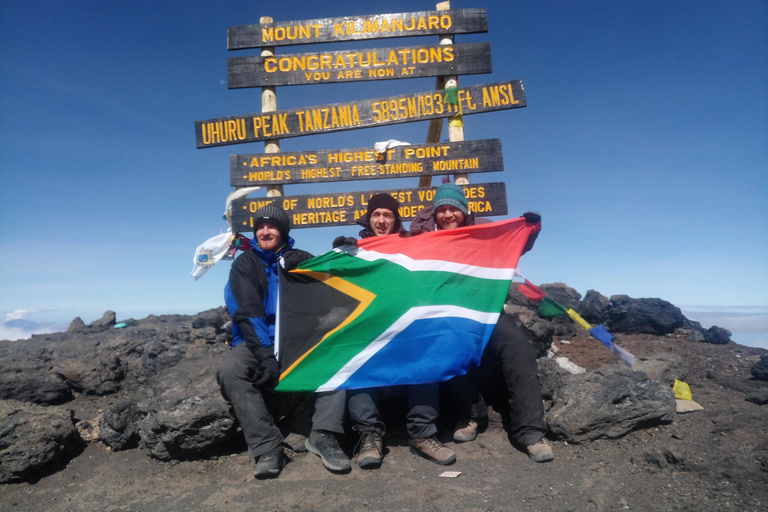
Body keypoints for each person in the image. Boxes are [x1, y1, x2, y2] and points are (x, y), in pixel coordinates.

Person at [410, 184, 553, 463]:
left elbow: (515, 244)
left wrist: (530, 229)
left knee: (519, 348)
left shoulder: (482, 233)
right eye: (442, 210)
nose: (448, 214)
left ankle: (530, 432)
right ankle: (471, 417)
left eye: (453, 208)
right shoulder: (421, 238)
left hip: (487, 312)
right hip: (446, 315)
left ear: (464, 211)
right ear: (435, 214)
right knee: (453, 350)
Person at [217, 204, 351, 479]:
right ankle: (267, 446)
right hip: (257, 341)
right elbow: (246, 311)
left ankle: (323, 434)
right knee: (230, 370)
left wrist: (344, 255)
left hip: (298, 339)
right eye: (260, 227)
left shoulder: (299, 259)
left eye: (272, 226)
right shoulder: (245, 263)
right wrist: (265, 353)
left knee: (338, 358)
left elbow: (333, 287)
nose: (265, 231)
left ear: (283, 231)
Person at [334, 193, 456, 469]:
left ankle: (423, 433)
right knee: (357, 357)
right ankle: (369, 436)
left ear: (396, 219)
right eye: (376, 214)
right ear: (368, 218)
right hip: (371, 327)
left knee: (426, 350)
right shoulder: (357, 248)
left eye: (387, 215)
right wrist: (341, 255)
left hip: (405, 325)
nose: (381, 220)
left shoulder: (411, 245)